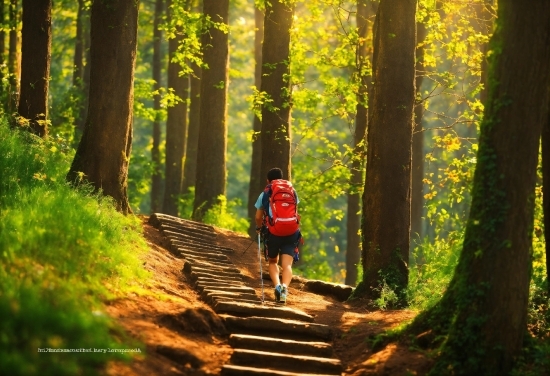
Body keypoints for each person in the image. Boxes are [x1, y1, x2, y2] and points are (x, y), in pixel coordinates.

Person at [254, 167, 301, 304]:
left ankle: (277, 286)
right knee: (287, 265)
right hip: (292, 232)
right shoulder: (292, 191)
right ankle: (285, 288)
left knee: (273, 261)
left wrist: (259, 227)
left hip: (273, 232)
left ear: (268, 180)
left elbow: (258, 216)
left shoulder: (266, 193)